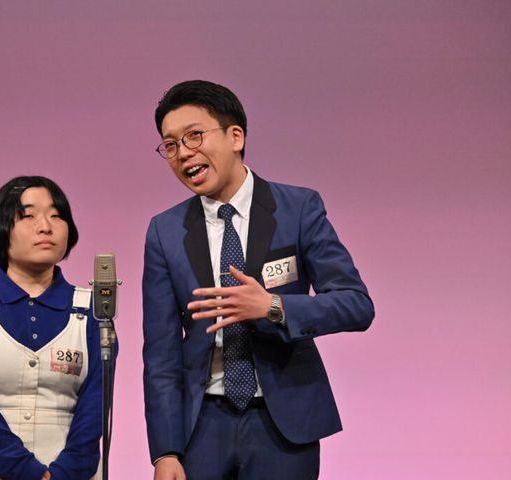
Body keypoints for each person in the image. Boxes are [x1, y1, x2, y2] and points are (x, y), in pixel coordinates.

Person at [142, 80, 375, 480]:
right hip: (201, 426)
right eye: (171, 145)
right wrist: (165, 451)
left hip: (283, 423)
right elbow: (161, 354)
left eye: (194, 136)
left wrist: (273, 307)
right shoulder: (164, 231)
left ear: (236, 136)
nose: (183, 153)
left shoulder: (298, 209)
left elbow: (356, 304)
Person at [0, 176, 102, 480]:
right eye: (28, 216)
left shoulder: (93, 310)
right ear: (0, 227)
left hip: (69, 470)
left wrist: (63, 473)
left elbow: (96, 406)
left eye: (56, 215)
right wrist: (28, 473)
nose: (46, 226)